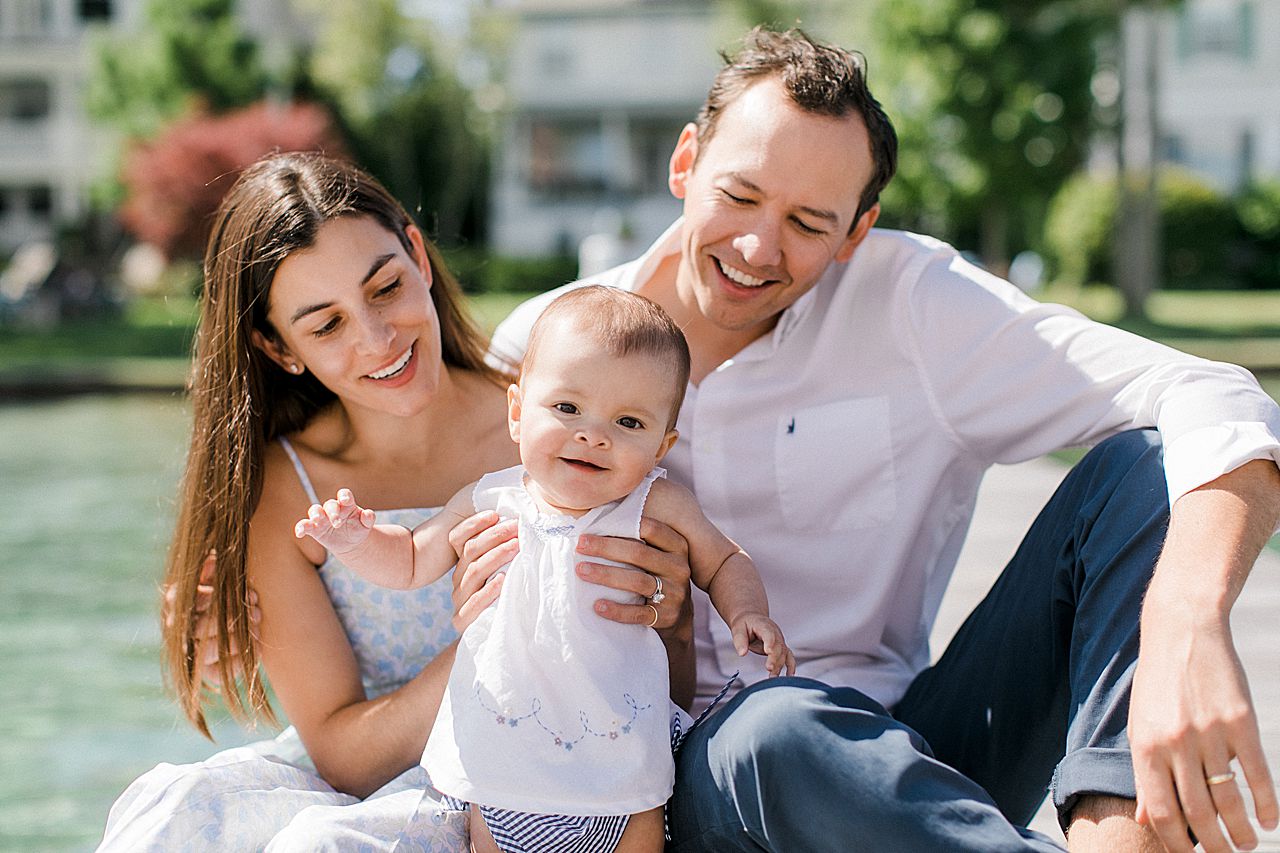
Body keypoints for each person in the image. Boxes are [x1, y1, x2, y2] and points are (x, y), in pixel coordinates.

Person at [482, 27, 1280, 853]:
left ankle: (1122, 840)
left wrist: (1189, 622)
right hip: (677, 779)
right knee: (772, 731)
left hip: (915, 747)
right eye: (741, 195)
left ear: (856, 231)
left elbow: (1214, 395)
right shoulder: (549, 349)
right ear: (685, 162)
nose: (759, 247)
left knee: (1143, 467)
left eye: (806, 221)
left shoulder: (916, 309)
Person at [98, 153, 694, 851]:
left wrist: (665, 621)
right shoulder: (287, 487)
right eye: (326, 325)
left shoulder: (568, 431)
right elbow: (343, 755)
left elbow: (666, 688)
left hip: (538, 781)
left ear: (418, 253)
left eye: (384, 287)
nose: (376, 339)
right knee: (171, 813)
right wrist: (494, 643)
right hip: (358, 783)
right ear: (278, 346)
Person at [296, 285, 793, 853]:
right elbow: (410, 558)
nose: (593, 434)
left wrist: (748, 611)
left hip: (622, 767)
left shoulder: (656, 505)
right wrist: (355, 540)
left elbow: (725, 557)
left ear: (662, 445)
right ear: (517, 412)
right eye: (567, 408)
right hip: (503, 763)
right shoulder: (490, 498)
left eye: (629, 422)